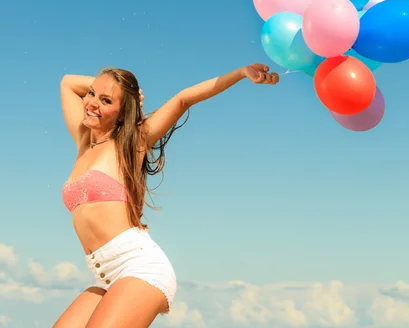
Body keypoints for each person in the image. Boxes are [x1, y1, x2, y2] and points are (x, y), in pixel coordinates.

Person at [54, 63, 279, 328]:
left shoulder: (131, 143)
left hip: (139, 267)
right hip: (104, 276)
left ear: (122, 111)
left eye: (106, 101)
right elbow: (67, 82)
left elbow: (184, 99)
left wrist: (241, 74)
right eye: (91, 93)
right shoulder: (83, 141)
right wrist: (116, 88)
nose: (91, 103)